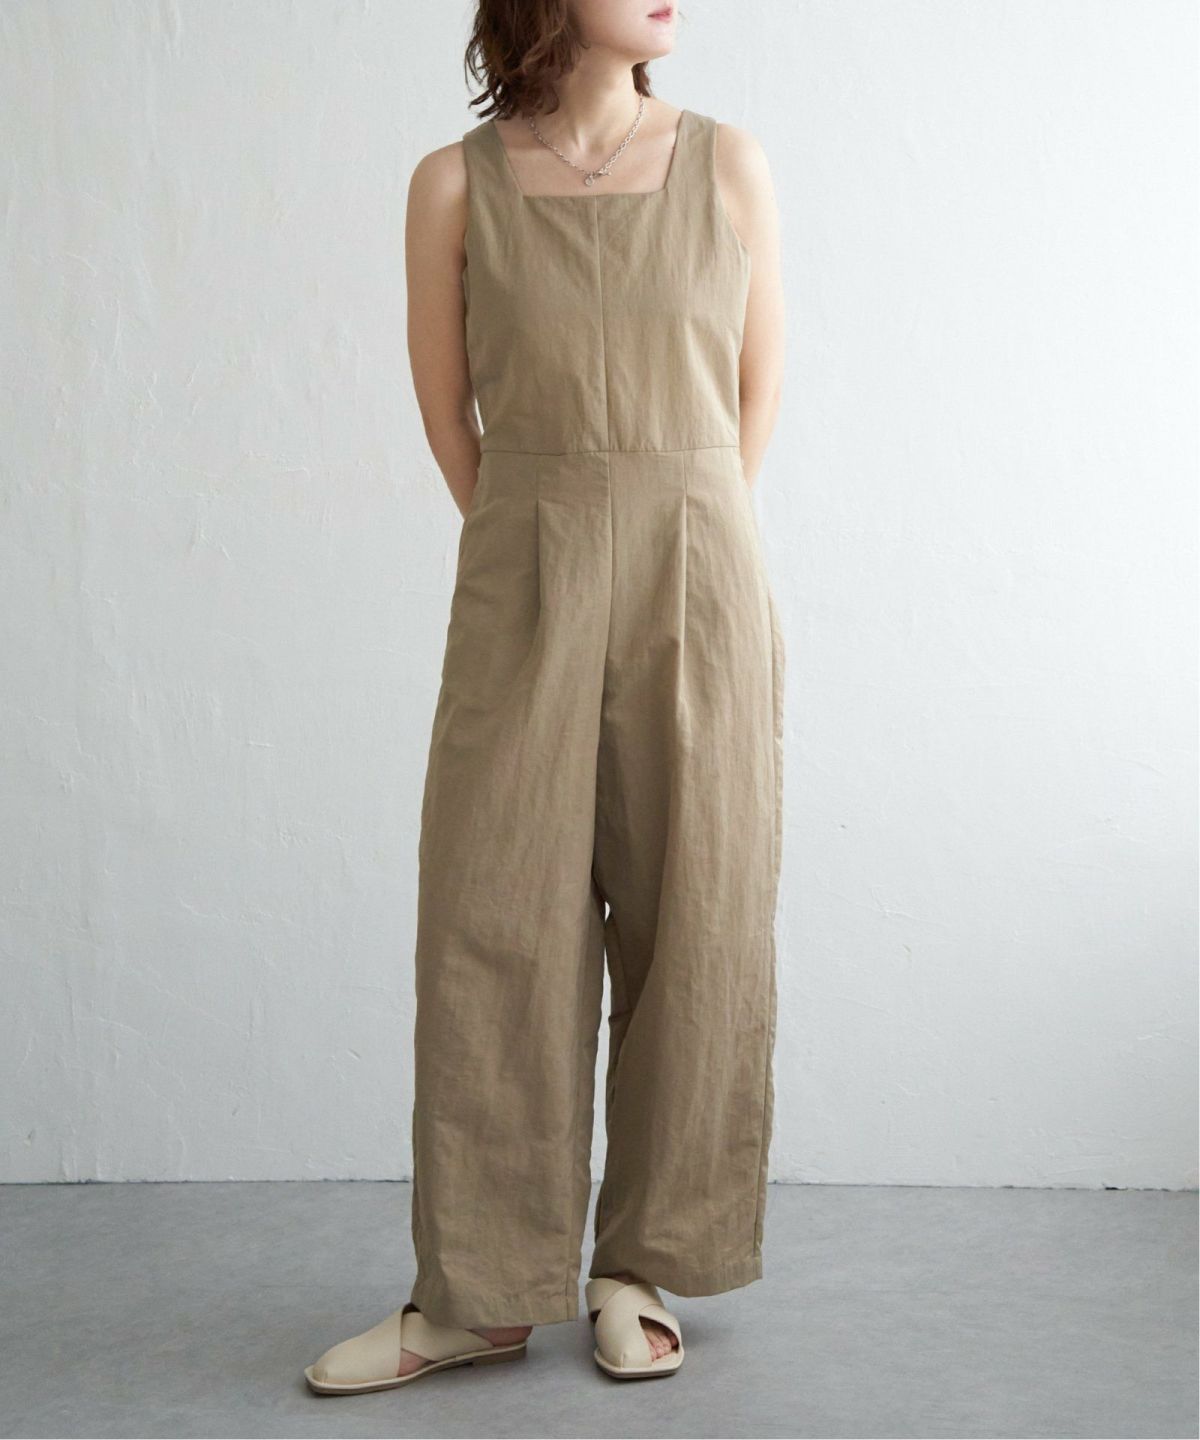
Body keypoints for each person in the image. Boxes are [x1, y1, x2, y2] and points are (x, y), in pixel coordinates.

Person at [304, 0, 785, 1394]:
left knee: (696, 916)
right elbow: (449, 413)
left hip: (696, 570)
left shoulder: (728, 162)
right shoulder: (452, 186)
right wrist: (542, 531)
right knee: (491, 917)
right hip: (524, 563)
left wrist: (676, 525)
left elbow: (753, 397)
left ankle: (639, 1265)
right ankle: (478, 1292)